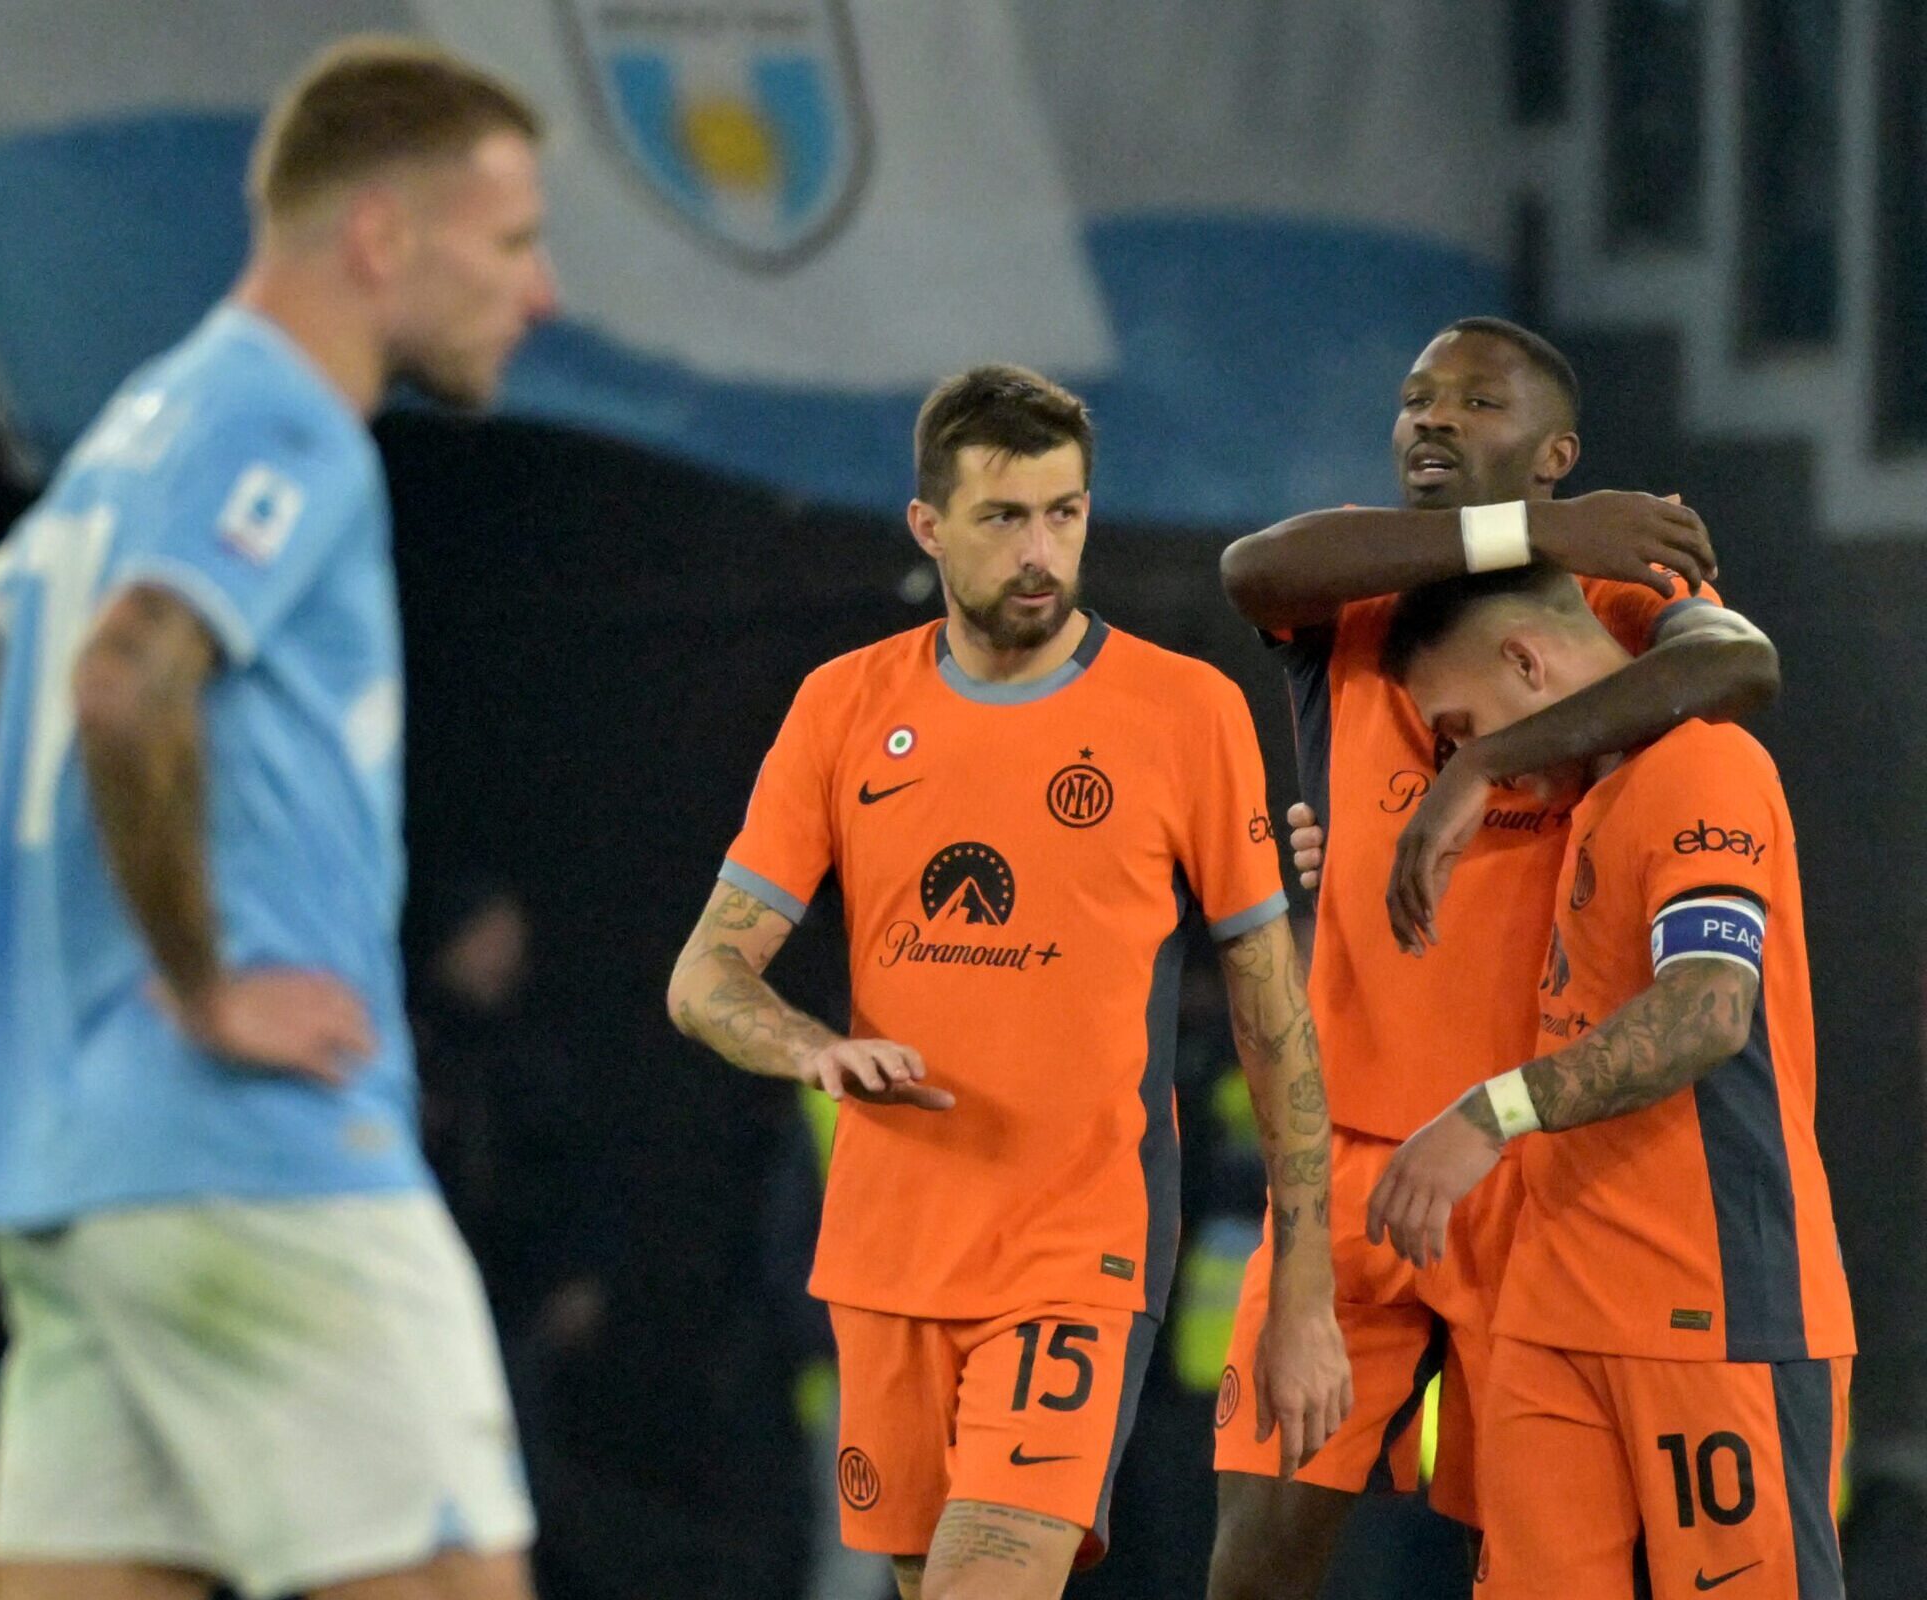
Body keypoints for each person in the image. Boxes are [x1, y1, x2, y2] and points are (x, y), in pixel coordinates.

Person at [0, 36, 557, 1600]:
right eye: (512, 241)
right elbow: (125, 685)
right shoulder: (283, 421)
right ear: (381, 235)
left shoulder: (138, 430)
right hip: (262, 1156)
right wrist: (200, 985)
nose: (540, 290)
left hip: (77, 1179)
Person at [664, 365, 1350, 1600]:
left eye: (1064, 513)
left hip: (1073, 1250)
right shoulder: (843, 708)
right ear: (927, 527)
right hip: (883, 1260)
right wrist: (806, 1046)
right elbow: (706, 974)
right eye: (1003, 518)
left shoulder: (1183, 713)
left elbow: (1270, 1011)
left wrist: (1305, 1286)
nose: (1041, 552)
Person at [1205, 318, 1780, 1598]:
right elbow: (1249, 569)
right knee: (1258, 1550)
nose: (1432, 419)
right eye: (1415, 397)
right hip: (1349, 1160)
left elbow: (1740, 663)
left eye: (1475, 401)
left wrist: (1488, 760)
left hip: (1528, 1162)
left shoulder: (1614, 605)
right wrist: (1531, 531)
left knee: (1526, 1550)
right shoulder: (1353, 591)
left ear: (1554, 449)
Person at [1367, 562, 1851, 1597]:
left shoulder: (1702, 767)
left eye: (1457, 727)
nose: (1463, 759)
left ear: (1527, 659)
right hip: (1556, 1311)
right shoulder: (1590, 804)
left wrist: (1492, 1112)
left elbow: (1705, 1009)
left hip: (1718, 1303)